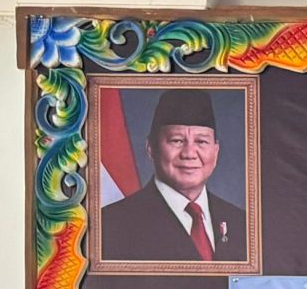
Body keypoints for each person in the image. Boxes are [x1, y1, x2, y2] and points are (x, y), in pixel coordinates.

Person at [98, 88, 249, 264]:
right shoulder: (111, 224)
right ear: (151, 148)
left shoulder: (242, 223)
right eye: (177, 141)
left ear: (216, 152)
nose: (189, 153)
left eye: (201, 141)